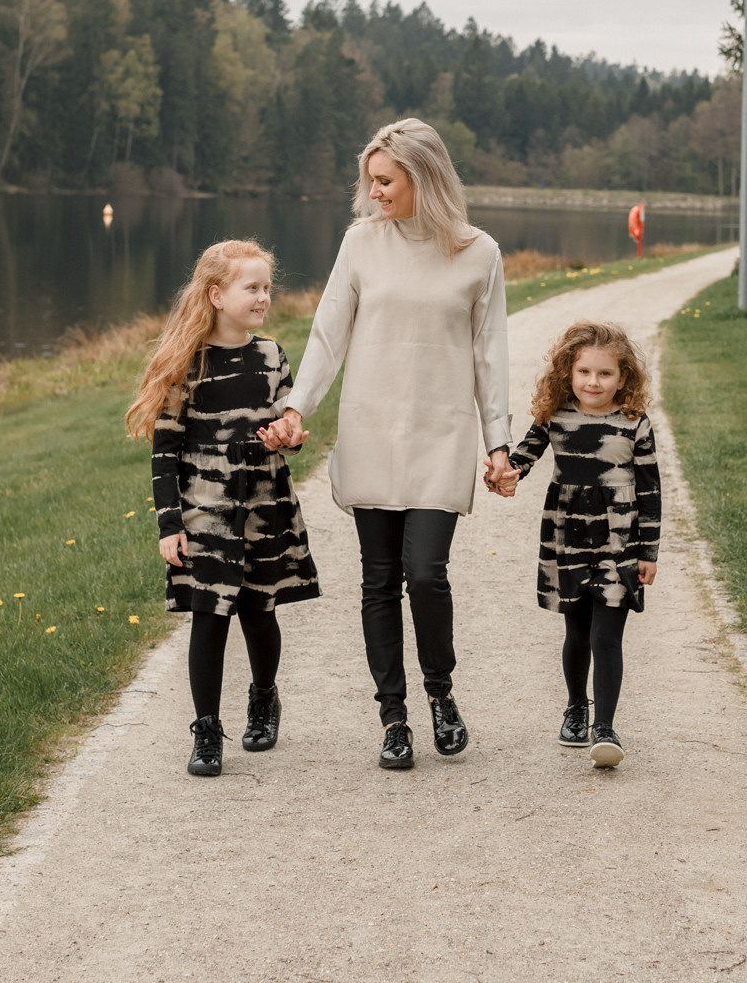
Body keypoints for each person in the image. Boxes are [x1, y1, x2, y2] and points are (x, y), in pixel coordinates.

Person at [261, 119, 512, 771]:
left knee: (426, 575)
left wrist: (499, 444)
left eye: (385, 181)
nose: (373, 194)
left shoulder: (479, 253)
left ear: (423, 178)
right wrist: (295, 409)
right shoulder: (361, 244)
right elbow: (327, 336)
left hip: (440, 436)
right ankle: (394, 719)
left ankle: (441, 694)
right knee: (379, 581)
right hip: (372, 430)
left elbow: (491, 357)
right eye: (369, 181)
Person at [127, 240, 319, 778]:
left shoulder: (272, 355)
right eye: (251, 288)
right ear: (216, 294)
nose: (263, 297)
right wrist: (169, 526)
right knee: (208, 620)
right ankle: (207, 730)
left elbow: (288, 425)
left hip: (264, 506)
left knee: (260, 611)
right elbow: (164, 453)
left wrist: (290, 437)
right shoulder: (185, 364)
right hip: (205, 515)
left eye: (266, 287)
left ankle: (263, 698)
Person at [500, 320, 660, 768]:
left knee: (607, 635)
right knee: (578, 632)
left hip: (619, 543)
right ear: (569, 374)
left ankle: (605, 727)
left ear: (623, 377)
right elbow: (524, 457)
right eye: (585, 372)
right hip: (566, 538)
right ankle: (576, 705)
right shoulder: (555, 416)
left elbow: (650, 491)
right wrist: (506, 473)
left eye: (605, 374)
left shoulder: (634, 424)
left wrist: (649, 552)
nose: (594, 382)